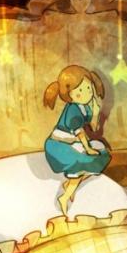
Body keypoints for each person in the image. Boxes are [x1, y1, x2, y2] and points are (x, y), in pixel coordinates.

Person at [42, 67, 111, 216]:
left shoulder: (86, 107)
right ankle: (64, 197)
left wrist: (96, 113)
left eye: (88, 88)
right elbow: (80, 132)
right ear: (69, 96)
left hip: (71, 143)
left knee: (102, 156)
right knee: (82, 163)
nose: (86, 93)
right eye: (79, 91)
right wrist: (88, 149)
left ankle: (69, 184)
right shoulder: (73, 109)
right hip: (58, 146)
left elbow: (92, 128)